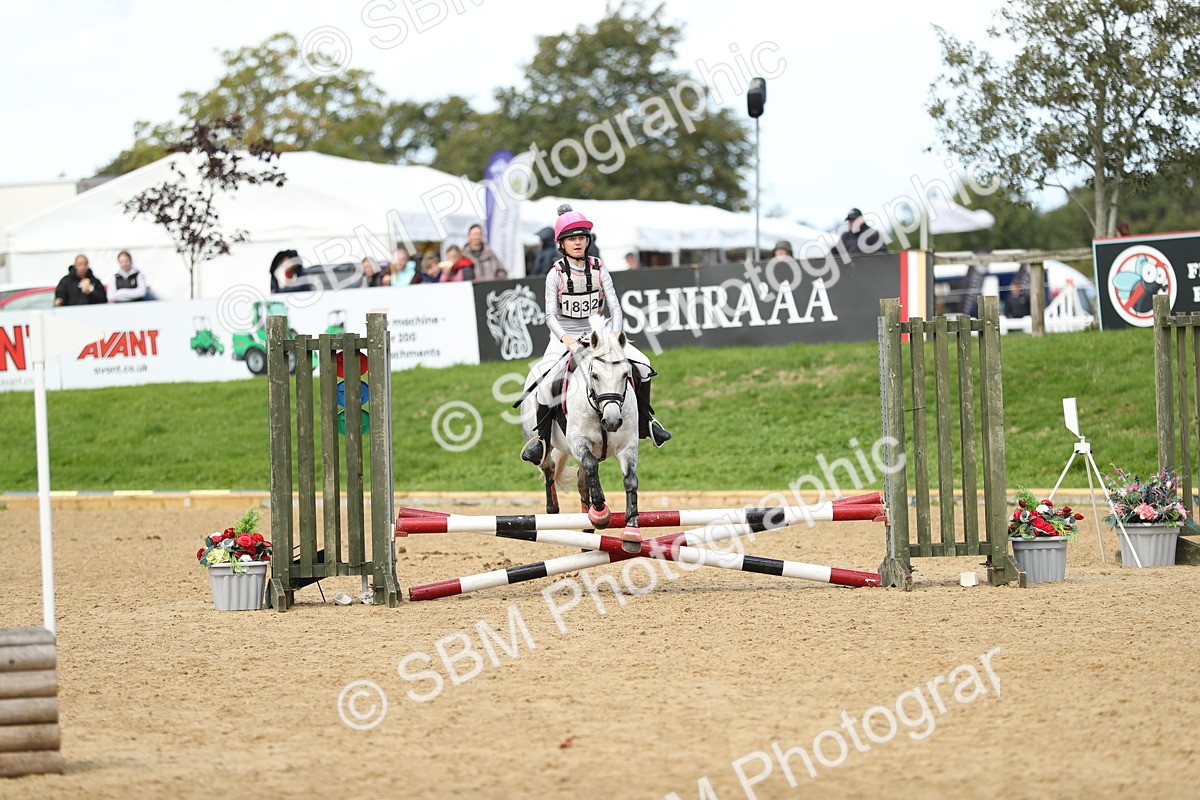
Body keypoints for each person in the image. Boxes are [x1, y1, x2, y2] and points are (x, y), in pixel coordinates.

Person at [520, 204, 671, 466]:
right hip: (565, 336)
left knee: (643, 364)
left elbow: (615, 307)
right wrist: (567, 340)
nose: (578, 243)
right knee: (544, 384)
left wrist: (615, 333)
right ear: (561, 244)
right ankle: (542, 441)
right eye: (572, 239)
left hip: (598, 333)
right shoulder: (554, 274)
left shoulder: (599, 268)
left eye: (582, 237)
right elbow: (550, 316)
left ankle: (646, 423)